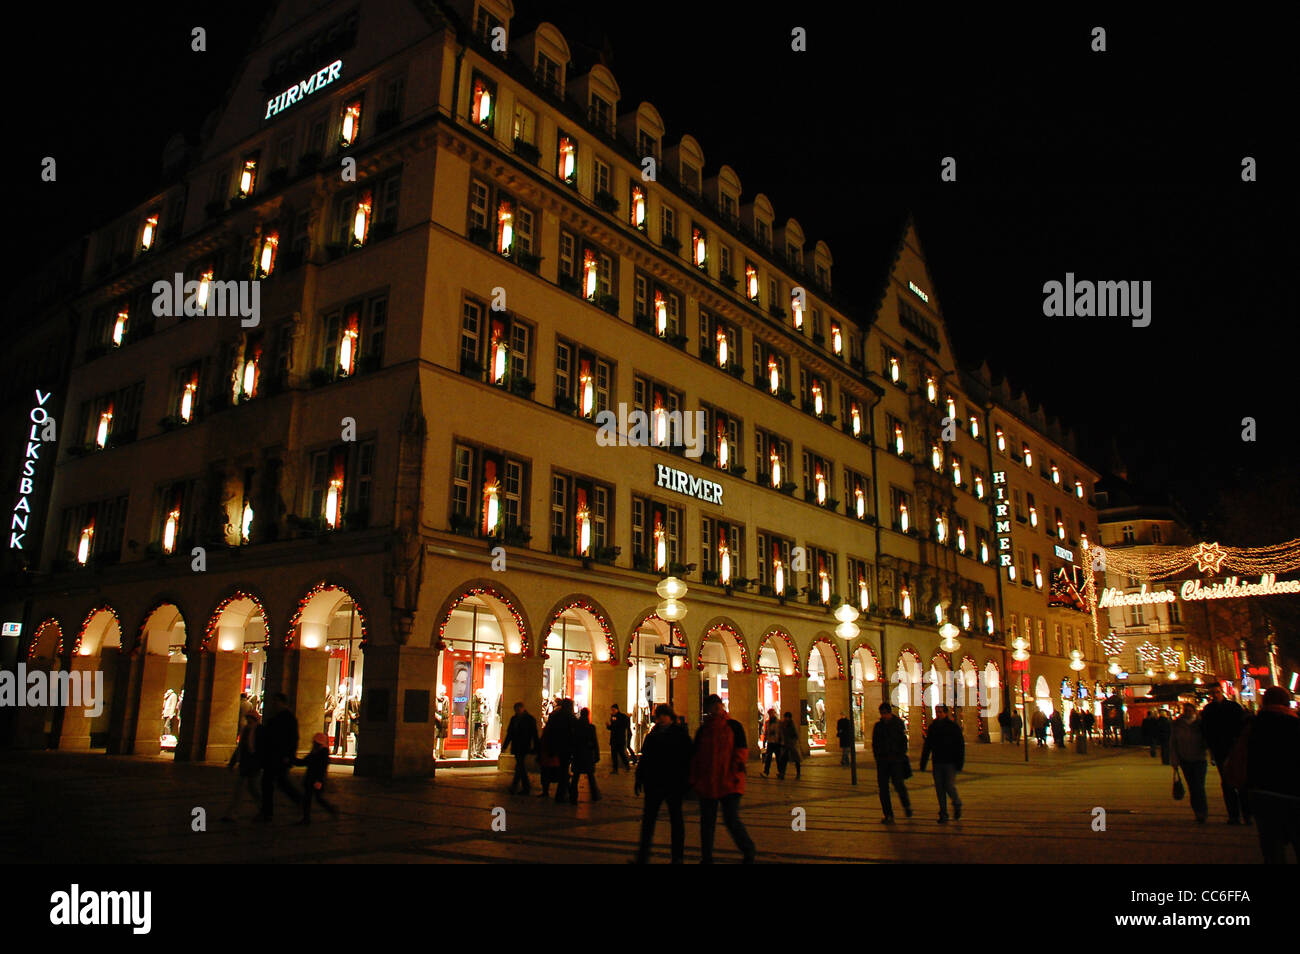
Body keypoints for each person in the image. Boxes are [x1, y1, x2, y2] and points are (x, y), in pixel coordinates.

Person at [689, 693, 756, 863]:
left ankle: (748, 849)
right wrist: (694, 779)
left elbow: (741, 751)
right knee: (707, 823)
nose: (716, 710)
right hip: (708, 782)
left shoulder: (734, 726)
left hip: (730, 781)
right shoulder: (703, 730)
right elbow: (696, 756)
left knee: (731, 818)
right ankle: (706, 858)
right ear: (708, 710)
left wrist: (735, 771)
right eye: (713, 707)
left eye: (718, 706)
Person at [1245, 686, 1300, 863]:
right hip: (1294, 793)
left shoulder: (1252, 726)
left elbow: (1239, 759)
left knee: (1272, 849)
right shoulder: (1296, 724)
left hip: (1262, 793)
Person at [633, 704, 692, 863]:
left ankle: (677, 857)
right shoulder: (653, 735)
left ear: (670, 716)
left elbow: (688, 759)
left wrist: (686, 783)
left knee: (676, 820)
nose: (660, 720)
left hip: (673, 783)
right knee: (648, 821)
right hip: (654, 783)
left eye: (662, 716)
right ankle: (642, 856)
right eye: (658, 717)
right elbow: (644, 758)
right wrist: (639, 778)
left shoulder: (679, 734)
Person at [1200, 685, 1251, 824]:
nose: (1215, 695)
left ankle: (1247, 814)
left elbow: (1242, 726)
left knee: (1241, 781)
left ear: (1222, 692)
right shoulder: (1209, 710)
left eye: (1217, 692)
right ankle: (1234, 815)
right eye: (1213, 693)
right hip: (1220, 750)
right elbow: (1205, 730)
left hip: (1235, 748)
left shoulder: (1233, 707)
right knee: (1227, 782)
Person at [256, 693, 302, 821]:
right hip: (272, 756)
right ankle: (267, 811)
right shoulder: (275, 717)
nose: (274, 704)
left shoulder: (288, 718)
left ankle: (268, 811)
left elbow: (293, 739)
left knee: (276, 782)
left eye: (276, 701)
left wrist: (289, 755)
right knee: (272, 782)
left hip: (280, 756)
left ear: (282, 702)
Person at [919, 704, 964, 823]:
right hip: (937, 761)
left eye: (940, 712)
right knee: (939, 789)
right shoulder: (933, 727)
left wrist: (959, 762)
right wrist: (923, 761)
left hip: (950, 762)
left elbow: (960, 745)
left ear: (945, 713)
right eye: (937, 712)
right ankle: (943, 813)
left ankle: (956, 802)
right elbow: (927, 745)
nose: (938, 714)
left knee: (949, 785)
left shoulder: (953, 727)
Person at [872, 702, 912, 823]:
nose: (884, 716)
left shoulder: (898, 724)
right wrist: (878, 757)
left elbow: (903, 742)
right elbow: (875, 743)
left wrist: (900, 754)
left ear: (890, 712)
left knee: (898, 784)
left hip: (896, 760)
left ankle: (906, 806)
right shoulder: (878, 726)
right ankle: (888, 814)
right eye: (882, 714)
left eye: (885, 713)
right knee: (883, 789)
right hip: (883, 761)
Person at [1170, 702, 1209, 823]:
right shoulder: (1177, 724)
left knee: (1199, 786)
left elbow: (1207, 739)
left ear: (1194, 711)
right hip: (1185, 760)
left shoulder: (1201, 723)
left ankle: (1202, 811)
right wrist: (1174, 760)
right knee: (1192, 787)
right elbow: (1173, 743)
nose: (1187, 712)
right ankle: (1197, 811)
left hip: (1199, 759)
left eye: (1189, 710)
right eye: (1185, 710)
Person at [221, 711, 261, 821]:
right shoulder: (245, 730)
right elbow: (240, 748)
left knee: (252, 788)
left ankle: (262, 808)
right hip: (245, 763)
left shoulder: (259, 731)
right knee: (239, 789)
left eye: (250, 719)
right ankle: (232, 812)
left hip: (253, 764)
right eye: (248, 719)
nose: (249, 721)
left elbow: (261, 748)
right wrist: (232, 762)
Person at [296, 732, 338, 823]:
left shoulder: (321, 753)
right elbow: (305, 761)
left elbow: (321, 768)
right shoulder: (317, 752)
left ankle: (330, 810)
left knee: (315, 798)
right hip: (311, 779)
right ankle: (306, 818)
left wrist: (319, 780)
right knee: (311, 798)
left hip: (315, 780)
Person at [539, 699, 575, 802]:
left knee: (558, 770)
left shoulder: (555, 716)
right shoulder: (570, 717)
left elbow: (549, 731)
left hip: (555, 747)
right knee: (563, 770)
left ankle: (561, 792)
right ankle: (562, 794)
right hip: (566, 748)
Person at [502, 701, 539, 795]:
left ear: (523, 708)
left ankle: (522, 787)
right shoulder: (514, 719)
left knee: (520, 765)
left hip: (524, 746)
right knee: (519, 766)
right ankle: (518, 787)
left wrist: (536, 746)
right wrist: (505, 746)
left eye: (519, 709)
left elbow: (534, 734)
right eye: (516, 709)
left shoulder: (529, 719)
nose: (518, 711)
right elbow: (509, 734)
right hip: (517, 745)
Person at [569, 707, 601, 802]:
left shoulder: (576, 727)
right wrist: (596, 755)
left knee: (576, 777)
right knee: (590, 776)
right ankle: (595, 795)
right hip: (587, 755)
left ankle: (573, 796)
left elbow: (573, 741)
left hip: (577, 754)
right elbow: (595, 742)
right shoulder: (590, 727)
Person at [606, 704, 632, 774]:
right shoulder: (612, 716)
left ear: (616, 709)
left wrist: (628, 717)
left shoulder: (622, 716)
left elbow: (624, 724)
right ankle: (615, 769)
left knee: (621, 753)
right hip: (614, 738)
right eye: (612, 710)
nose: (612, 711)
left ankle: (627, 766)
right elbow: (612, 727)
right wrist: (608, 726)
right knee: (614, 754)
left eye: (613, 710)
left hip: (620, 738)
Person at [779, 711, 802, 780]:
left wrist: (793, 742)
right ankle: (782, 773)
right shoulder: (783, 724)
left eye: (787, 717)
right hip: (786, 745)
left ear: (789, 718)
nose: (785, 719)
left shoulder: (792, 725)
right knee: (784, 759)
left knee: (796, 759)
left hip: (792, 745)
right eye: (785, 717)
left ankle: (798, 773)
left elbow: (795, 735)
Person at [760, 709, 781, 777]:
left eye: (771, 713)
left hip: (777, 742)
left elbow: (781, 732)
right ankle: (766, 772)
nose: (770, 715)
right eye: (769, 714)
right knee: (768, 757)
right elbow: (766, 732)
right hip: (770, 742)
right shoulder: (767, 722)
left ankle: (780, 772)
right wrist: (764, 741)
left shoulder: (778, 722)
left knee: (778, 758)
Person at [434, 685, 450, 759]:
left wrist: (446, 719)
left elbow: (448, 710)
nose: (445, 692)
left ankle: (441, 753)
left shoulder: (446, 699)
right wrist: (436, 716)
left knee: (442, 738)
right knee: (435, 737)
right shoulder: (435, 698)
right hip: (436, 721)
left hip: (444, 721)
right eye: (444, 690)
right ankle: (434, 752)